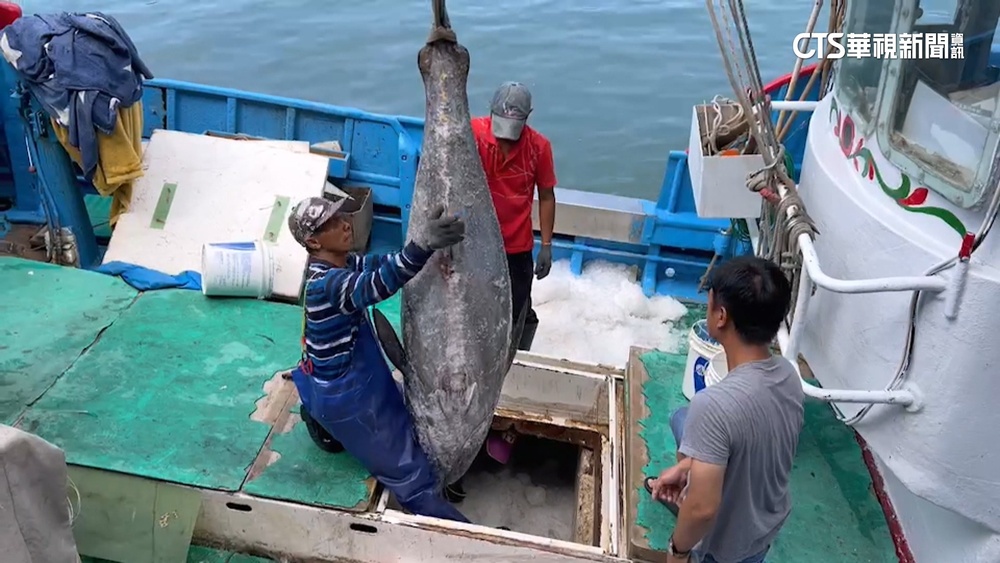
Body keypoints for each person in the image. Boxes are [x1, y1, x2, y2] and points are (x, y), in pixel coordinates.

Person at [285, 195, 470, 523]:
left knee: (413, 419)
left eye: (341, 215)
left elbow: (382, 264)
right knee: (411, 475)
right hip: (347, 398)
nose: (344, 223)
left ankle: (318, 418)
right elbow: (377, 285)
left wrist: (418, 251)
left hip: (336, 378)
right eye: (329, 223)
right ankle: (465, 537)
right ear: (313, 241)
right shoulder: (327, 283)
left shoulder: (342, 263)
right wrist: (423, 246)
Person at [443, 81, 558, 503]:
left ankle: (509, 365)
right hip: (475, 245)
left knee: (514, 319)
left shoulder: (539, 148)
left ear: (527, 122)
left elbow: (546, 194)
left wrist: (546, 243)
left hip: (515, 249)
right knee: (471, 320)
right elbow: (450, 182)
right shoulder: (473, 134)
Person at [646, 256, 803, 563]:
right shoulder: (788, 375)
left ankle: (687, 503)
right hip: (764, 530)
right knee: (682, 418)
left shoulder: (714, 405)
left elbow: (705, 510)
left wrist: (677, 551)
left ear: (721, 316)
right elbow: (759, 440)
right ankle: (694, 481)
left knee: (692, 425)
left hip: (723, 551)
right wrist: (691, 465)